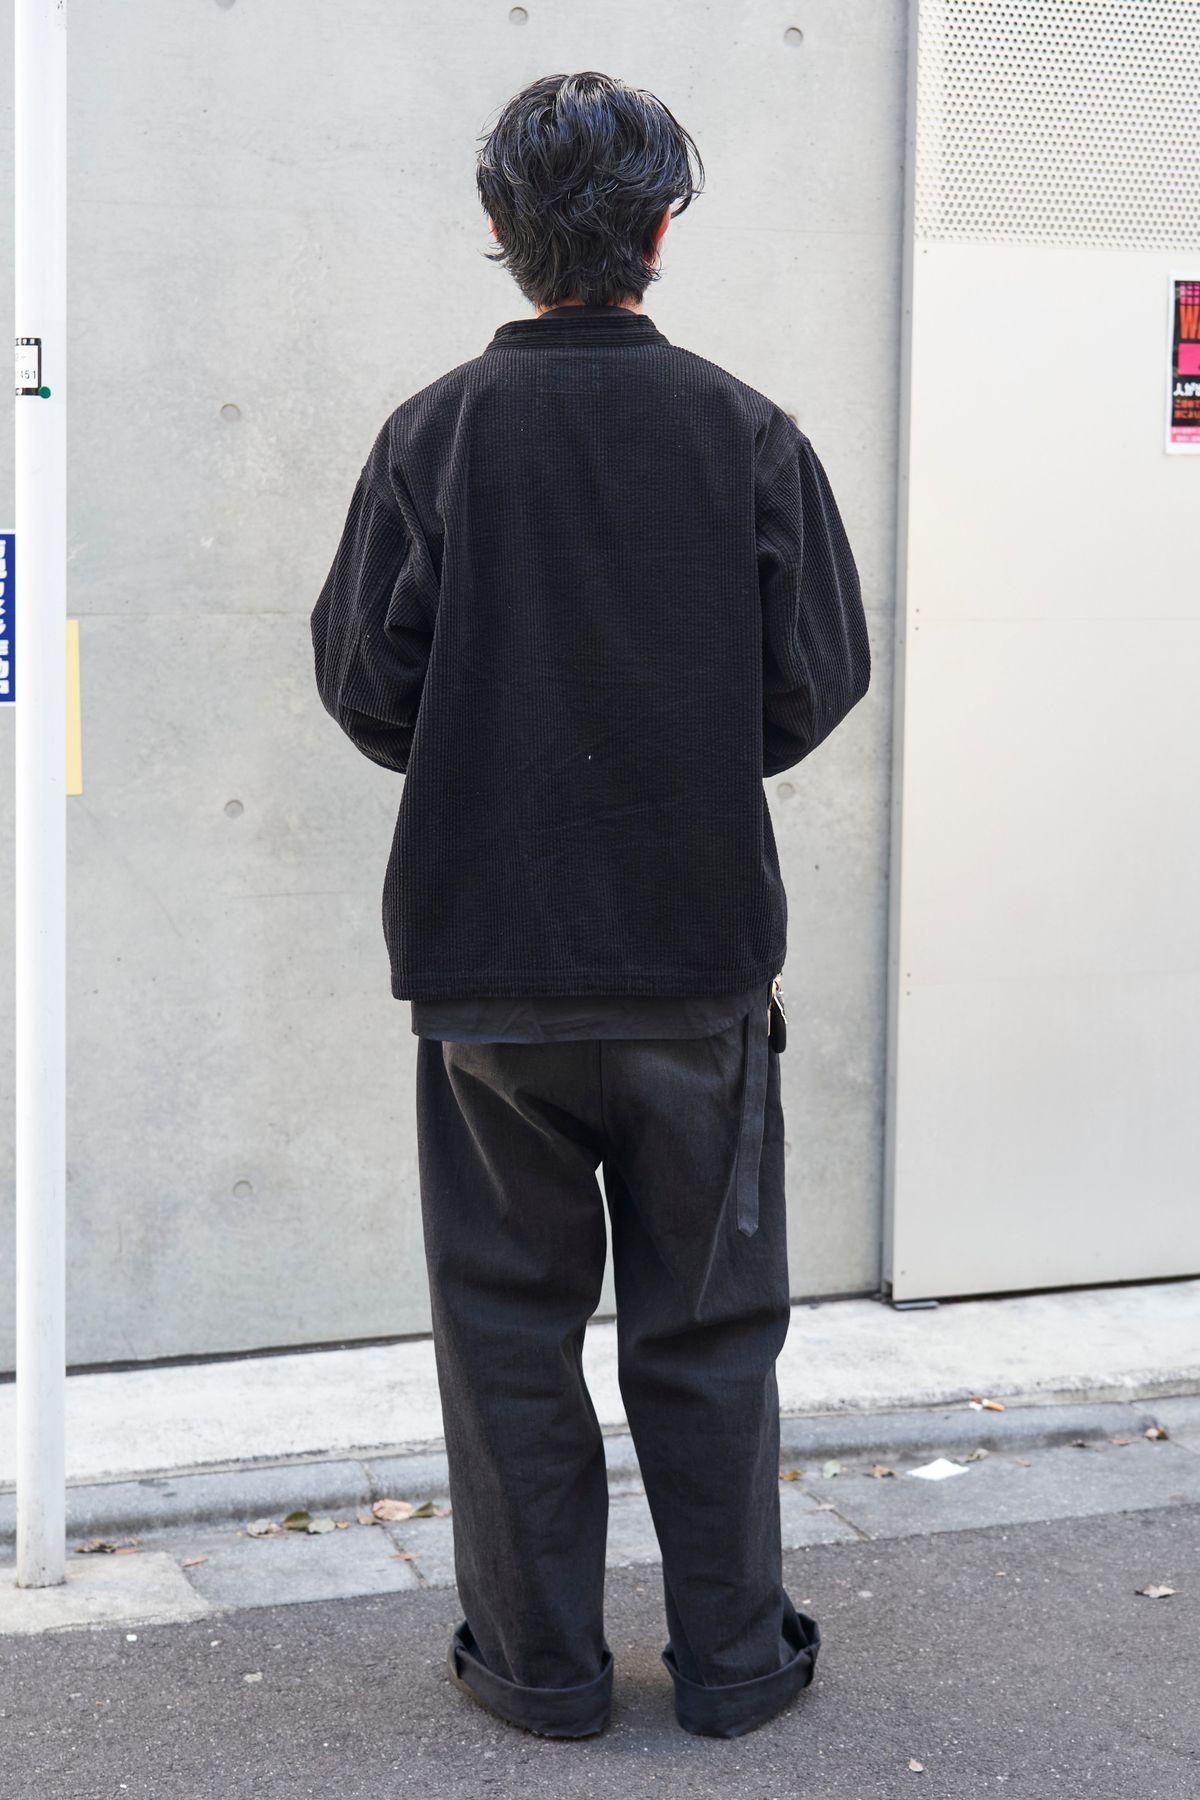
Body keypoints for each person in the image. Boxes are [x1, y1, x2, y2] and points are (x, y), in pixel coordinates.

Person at [310, 69, 871, 1742]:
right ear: (663, 232)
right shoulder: (747, 433)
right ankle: (735, 1665)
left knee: (505, 1331)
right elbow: (815, 680)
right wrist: (685, 745)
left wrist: (489, 743)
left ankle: (538, 1670)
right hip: (696, 962)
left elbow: (366, 685)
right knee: (712, 1333)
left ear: (500, 227)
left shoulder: (431, 436)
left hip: (489, 970)